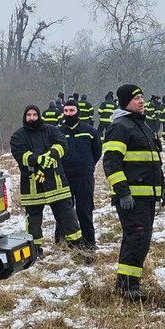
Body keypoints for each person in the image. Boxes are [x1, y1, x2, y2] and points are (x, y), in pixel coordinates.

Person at [102, 84, 165, 300]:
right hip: (132, 198)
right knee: (136, 239)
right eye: (136, 98)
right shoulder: (120, 127)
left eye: (142, 97)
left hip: (147, 196)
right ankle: (128, 287)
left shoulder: (143, 126)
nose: (141, 101)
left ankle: (128, 284)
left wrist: (162, 187)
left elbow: (154, 161)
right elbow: (111, 162)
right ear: (125, 102)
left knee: (140, 240)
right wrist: (123, 192)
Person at [10, 105, 84, 256]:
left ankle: (78, 247)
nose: (32, 117)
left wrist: (51, 155)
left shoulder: (51, 130)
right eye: (29, 115)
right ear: (24, 117)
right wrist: (38, 159)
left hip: (56, 183)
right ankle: (35, 251)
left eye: (34, 114)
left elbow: (62, 144)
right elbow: (20, 154)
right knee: (33, 221)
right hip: (32, 184)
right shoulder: (18, 136)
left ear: (39, 116)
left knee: (68, 216)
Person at [58, 100, 102, 249]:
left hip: (84, 177)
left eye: (72, 111)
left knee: (85, 210)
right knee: (64, 211)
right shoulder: (58, 132)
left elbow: (97, 151)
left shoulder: (89, 131)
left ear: (78, 112)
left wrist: (88, 166)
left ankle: (89, 243)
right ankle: (62, 243)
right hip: (64, 178)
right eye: (66, 111)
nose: (69, 114)